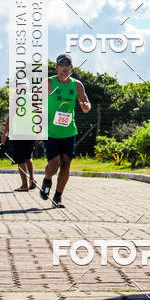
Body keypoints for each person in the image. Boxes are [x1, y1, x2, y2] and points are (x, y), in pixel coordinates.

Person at [41, 53, 91, 207]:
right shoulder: (48, 83)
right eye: (61, 64)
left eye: (67, 64)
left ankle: (58, 197)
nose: (64, 67)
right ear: (56, 67)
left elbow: (86, 103)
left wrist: (85, 106)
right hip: (50, 131)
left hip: (69, 131)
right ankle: (47, 179)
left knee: (66, 163)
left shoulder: (77, 85)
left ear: (71, 67)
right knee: (54, 163)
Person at [1, 115, 36, 191]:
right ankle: (32, 179)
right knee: (28, 157)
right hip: (31, 132)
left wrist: (4, 133)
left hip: (19, 132)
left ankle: (24, 185)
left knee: (21, 159)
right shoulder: (34, 102)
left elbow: (10, 117)